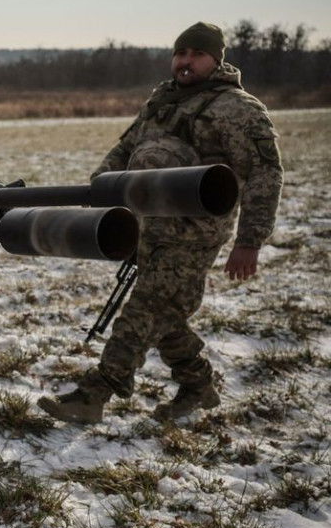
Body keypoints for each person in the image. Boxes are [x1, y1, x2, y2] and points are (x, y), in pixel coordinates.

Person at [39, 22, 283, 424]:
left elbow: (265, 174)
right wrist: (99, 193)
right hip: (148, 227)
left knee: (142, 311)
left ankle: (94, 394)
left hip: (194, 235)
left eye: (196, 54)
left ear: (216, 60)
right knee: (165, 313)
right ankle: (198, 386)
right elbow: (126, 149)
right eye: (180, 53)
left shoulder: (238, 109)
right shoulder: (163, 101)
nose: (185, 62)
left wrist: (250, 241)